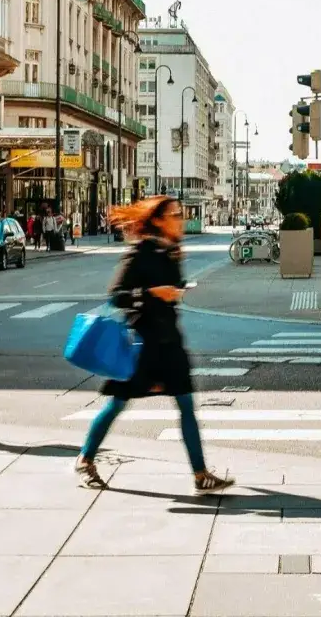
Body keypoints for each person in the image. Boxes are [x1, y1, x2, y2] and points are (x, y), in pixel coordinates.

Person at [74, 196, 234, 493]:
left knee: (186, 404)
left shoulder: (171, 252)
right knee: (117, 404)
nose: (180, 219)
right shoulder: (141, 251)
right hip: (142, 345)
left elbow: (173, 288)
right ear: (158, 220)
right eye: (174, 215)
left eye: (180, 214)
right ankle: (85, 459)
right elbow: (117, 296)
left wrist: (176, 291)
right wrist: (153, 293)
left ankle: (200, 474)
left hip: (170, 343)